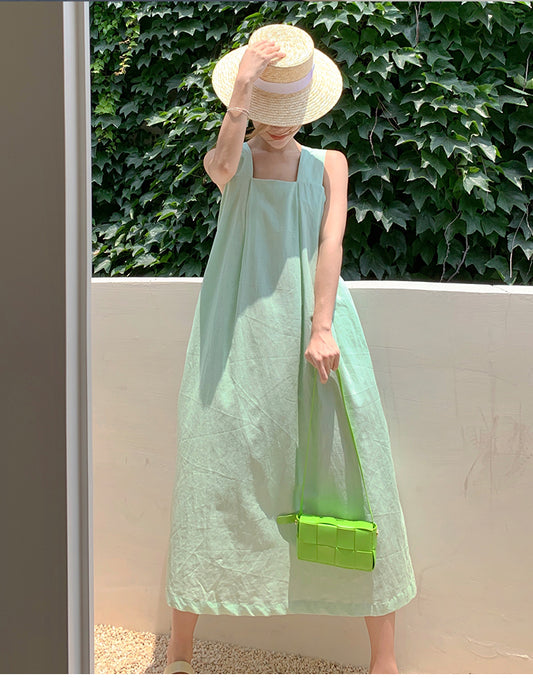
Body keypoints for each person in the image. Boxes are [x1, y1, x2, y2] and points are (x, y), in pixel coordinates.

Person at [164, 24, 417, 675]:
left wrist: (322, 325)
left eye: (290, 110)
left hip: (315, 326)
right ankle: (181, 650)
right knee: (212, 465)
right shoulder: (235, 160)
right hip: (235, 331)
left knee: (352, 464)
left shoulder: (330, 163)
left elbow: (331, 243)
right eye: (268, 109)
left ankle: (384, 660)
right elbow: (221, 166)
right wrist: (243, 90)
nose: (279, 125)